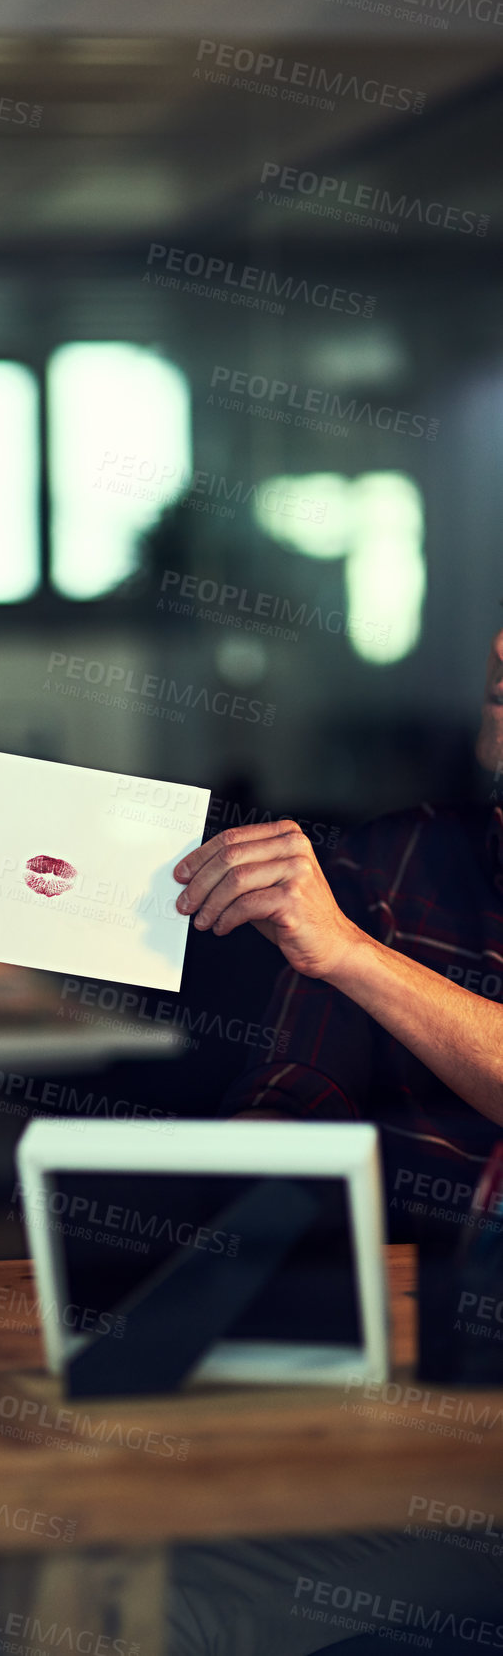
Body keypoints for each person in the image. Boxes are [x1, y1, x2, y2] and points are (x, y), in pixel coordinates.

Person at [159, 630, 503, 1652]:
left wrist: (352, 955)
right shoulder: (397, 860)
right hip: (391, 1380)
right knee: (37, 1546)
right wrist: (247, 1192)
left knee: (168, 1607)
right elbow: (297, 1085)